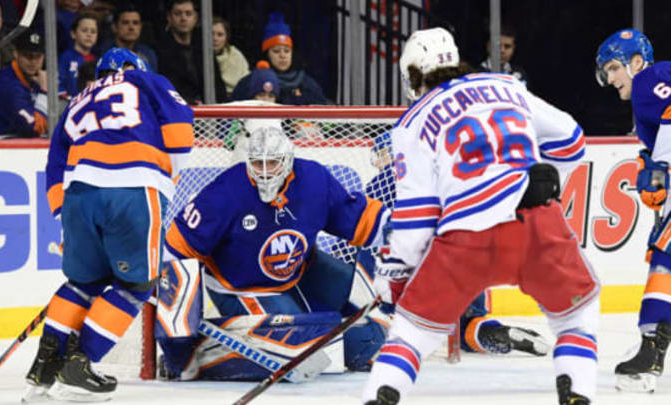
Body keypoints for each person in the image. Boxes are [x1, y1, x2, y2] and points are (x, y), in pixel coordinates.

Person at [362, 28, 599, 405]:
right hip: (536, 221)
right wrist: (533, 168)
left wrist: (396, 275)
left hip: (465, 238)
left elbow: (417, 215)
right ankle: (578, 395)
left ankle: (380, 397)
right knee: (576, 318)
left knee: (409, 335)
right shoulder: (506, 84)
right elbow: (572, 140)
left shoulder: (412, 122)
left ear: (412, 74)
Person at [22, 47, 195, 402]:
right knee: (137, 285)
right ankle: (79, 365)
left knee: (83, 282)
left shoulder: (78, 98)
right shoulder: (148, 80)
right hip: (133, 187)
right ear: (135, 67)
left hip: (77, 196)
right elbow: (181, 134)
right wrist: (165, 180)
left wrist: (62, 216)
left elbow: (54, 166)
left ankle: (46, 365)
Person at [162, 123, 390, 379]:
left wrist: (404, 234)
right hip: (240, 286)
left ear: (288, 159)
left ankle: (308, 330)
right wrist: (179, 335)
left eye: (273, 163)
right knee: (301, 356)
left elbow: (359, 218)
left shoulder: (314, 179)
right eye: (258, 164)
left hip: (299, 271)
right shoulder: (226, 191)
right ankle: (198, 356)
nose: (265, 172)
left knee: (368, 343)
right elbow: (177, 247)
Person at [357, 133, 550, 358]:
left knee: (365, 257)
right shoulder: (449, 178)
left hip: (406, 274)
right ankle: (480, 327)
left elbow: (367, 233)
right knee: (466, 324)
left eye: (381, 154)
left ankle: (398, 327)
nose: (379, 160)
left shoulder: (381, 183)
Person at [596, 28, 671, 393]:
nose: (610, 79)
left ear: (637, 62)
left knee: (665, 259)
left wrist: (663, 165)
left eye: (613, 68)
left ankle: (651, 349)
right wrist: (653, 160)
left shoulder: (648, 82)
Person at [232, 12, 327, 105]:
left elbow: (323, 114)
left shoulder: (307, 84)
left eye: (287, 51)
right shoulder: (250, 83)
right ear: (266, 55)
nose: (282, 55)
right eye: (276, 51)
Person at [157, 0, 227, 104]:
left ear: (196, 18)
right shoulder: (160, 49)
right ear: (169, 17)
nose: (183, 18)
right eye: (178, 14)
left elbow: (217, 86)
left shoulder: (204, 47)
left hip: (208, 112)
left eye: (188, 14)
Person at [98, 3, 157, 72]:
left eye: (135, 23)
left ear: (141, 27)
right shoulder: (103, 52)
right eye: (125, 23)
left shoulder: (148, 54)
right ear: (114, 27)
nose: (131, 27)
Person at [58, 14, 98, 98]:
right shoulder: (65, 58)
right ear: (73, 34)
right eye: (84, 30)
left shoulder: (99, 61)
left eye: (93, 31)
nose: (89, 35)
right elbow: (59, 86)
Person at [213, 16, 249, 97]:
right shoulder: (197, 56)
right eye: (211, 34)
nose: (215, 38)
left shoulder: (236, 56)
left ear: (226, 38)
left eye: (220, 35)